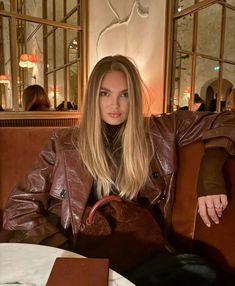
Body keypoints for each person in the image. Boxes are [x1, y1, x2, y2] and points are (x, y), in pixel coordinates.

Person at [2, 55, 235, 285]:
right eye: (105, 94)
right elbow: (20, 207)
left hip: (141, 254)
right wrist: (65, 253)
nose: (115, 105)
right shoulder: (63, 143)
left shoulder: (160, 130)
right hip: (80, 250)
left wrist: (211, 173)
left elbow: (228, 121)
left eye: (124, 94)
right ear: (94, 97)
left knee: (201, 274)